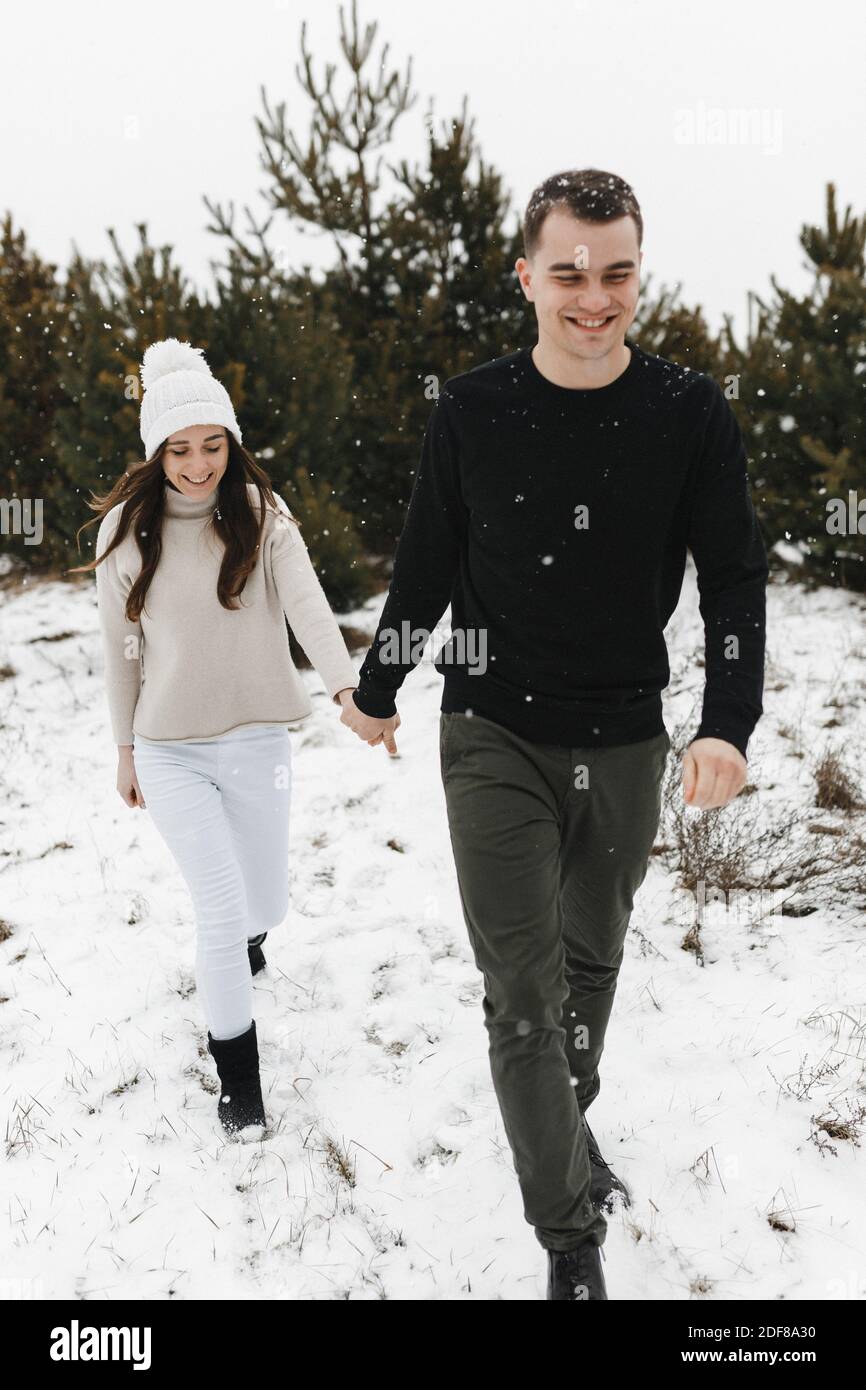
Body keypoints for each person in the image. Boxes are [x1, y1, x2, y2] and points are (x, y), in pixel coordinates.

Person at [341, 168, 769, 1300]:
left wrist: (725, 724)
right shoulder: (474, 408)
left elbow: (731, 577)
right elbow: (427, 560)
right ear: (525, 274)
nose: (593, 295)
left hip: (625, 736)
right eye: (568, 270)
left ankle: (558, 1128)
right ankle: (566, 1236)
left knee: (590, 962)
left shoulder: (686, 412)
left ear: (639, 271)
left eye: (615, 270)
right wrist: (379, 688)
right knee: (521, 991)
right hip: (492, 729)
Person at [74, 338, 359, 1140]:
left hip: (258, 742)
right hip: (169, 750)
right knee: (221, 903)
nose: (198, 465)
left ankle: (248, 943)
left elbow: (307, 605)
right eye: (179, 449)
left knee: (263, 904)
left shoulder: (264, 521)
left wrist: (346, 687)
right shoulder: (126, 539)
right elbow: (120, 652)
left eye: (212, 446)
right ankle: (240, 1084)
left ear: (231, 446)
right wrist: (124, 750)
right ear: (155, 452)